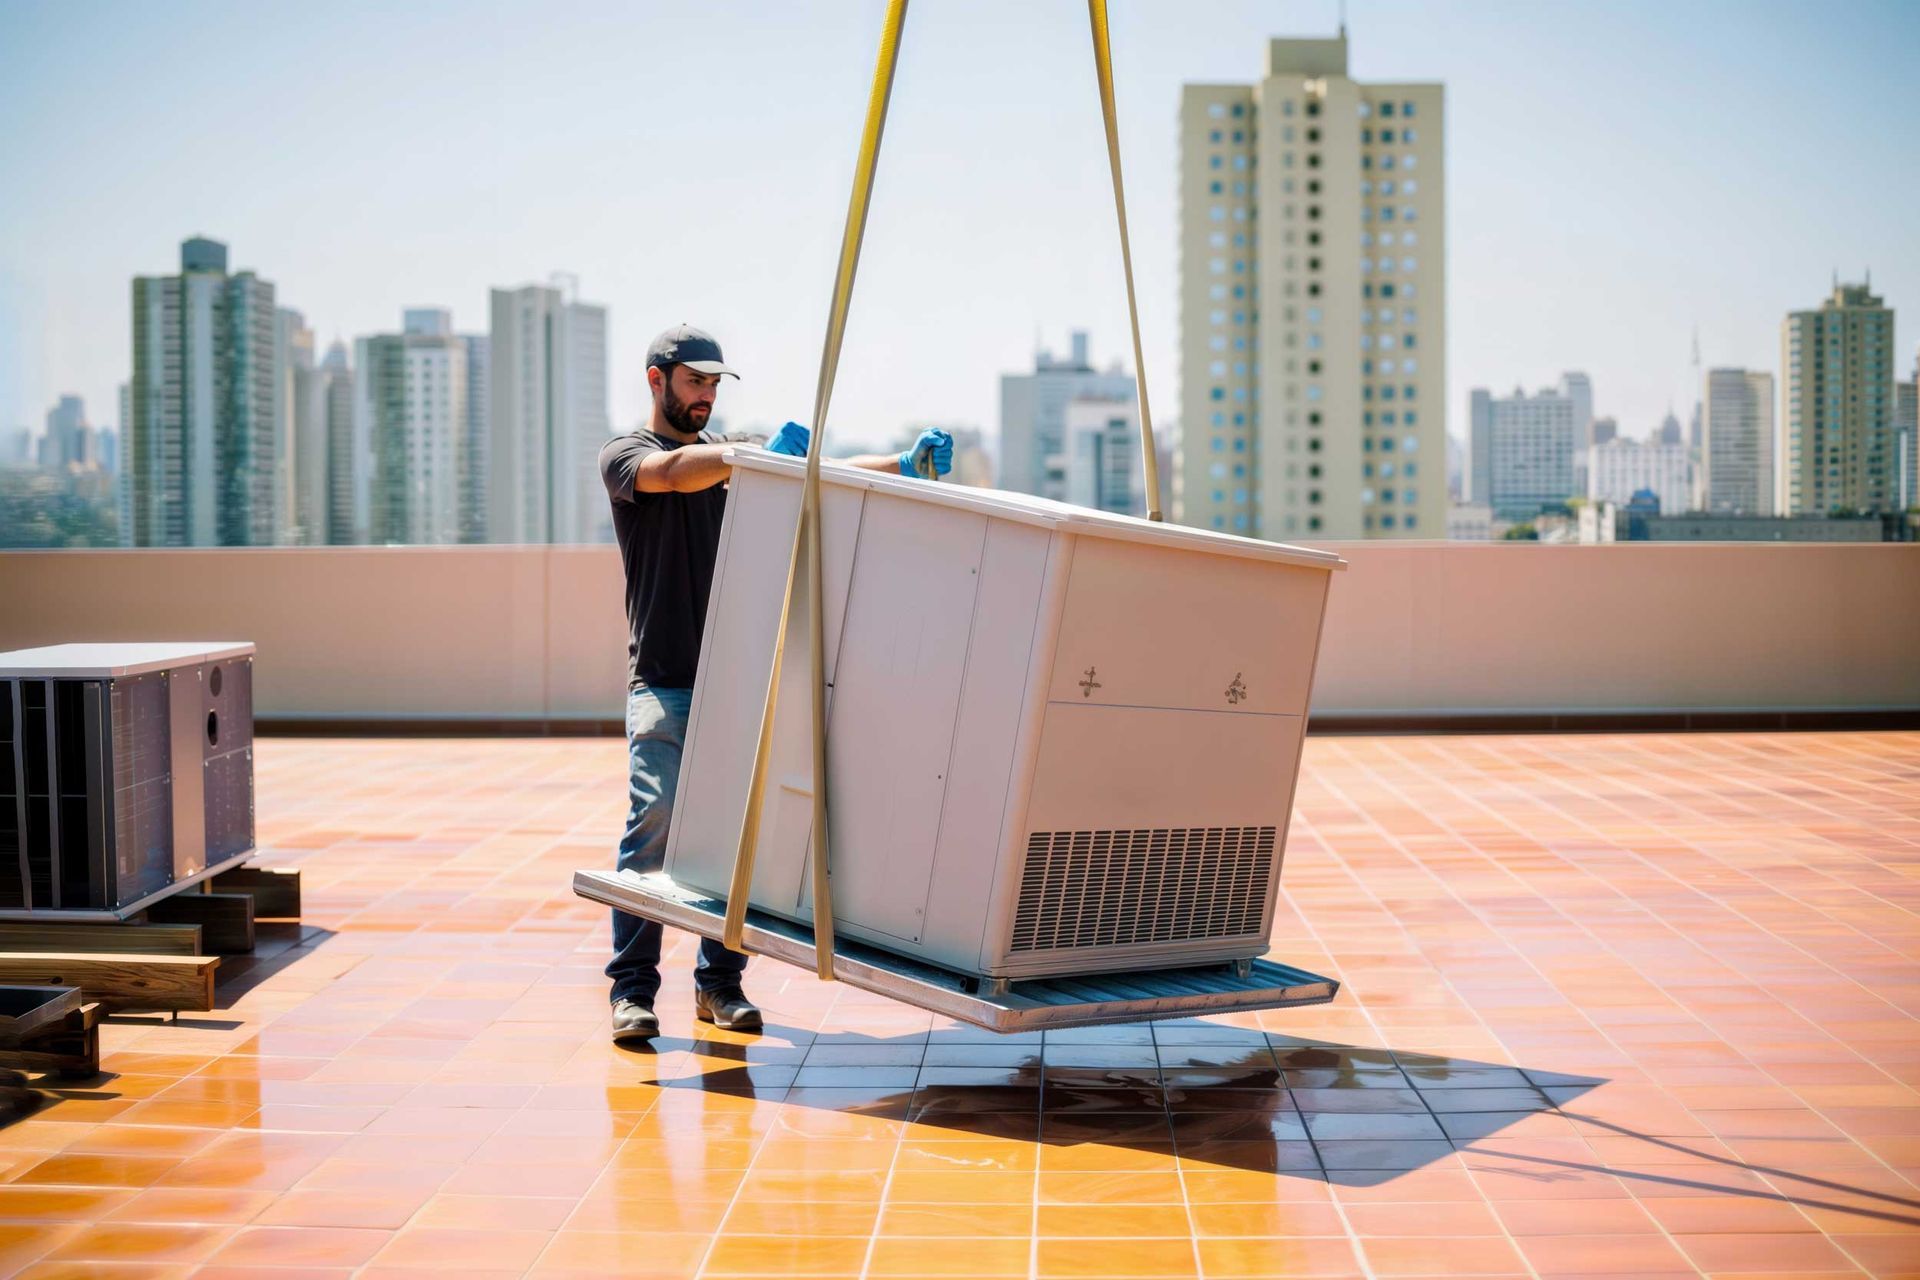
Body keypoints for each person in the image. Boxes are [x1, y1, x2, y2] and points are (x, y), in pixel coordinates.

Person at [597, 324, 954, 1044]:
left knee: (736, 850)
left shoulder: (736, 464)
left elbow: (825, 472)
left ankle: (718, 988)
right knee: (652, 833)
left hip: (738, 684)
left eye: (713, 385)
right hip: (664, 684)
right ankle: (631, 994)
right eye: (694, 381)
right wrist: (743, 455)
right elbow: (675, 474)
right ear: (656, 380)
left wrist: (903, 464)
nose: (704, 395)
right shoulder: (630, 456)